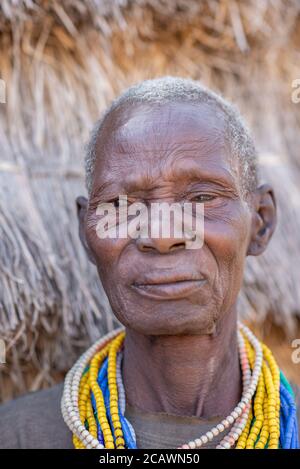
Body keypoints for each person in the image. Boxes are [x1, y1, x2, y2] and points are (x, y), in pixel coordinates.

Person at [0, 76, 299, 449]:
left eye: (203, 197)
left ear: (261, 221)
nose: (161, 235)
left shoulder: (291, 426)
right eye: (122, 206)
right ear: (85, 232)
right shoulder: (19, 436)